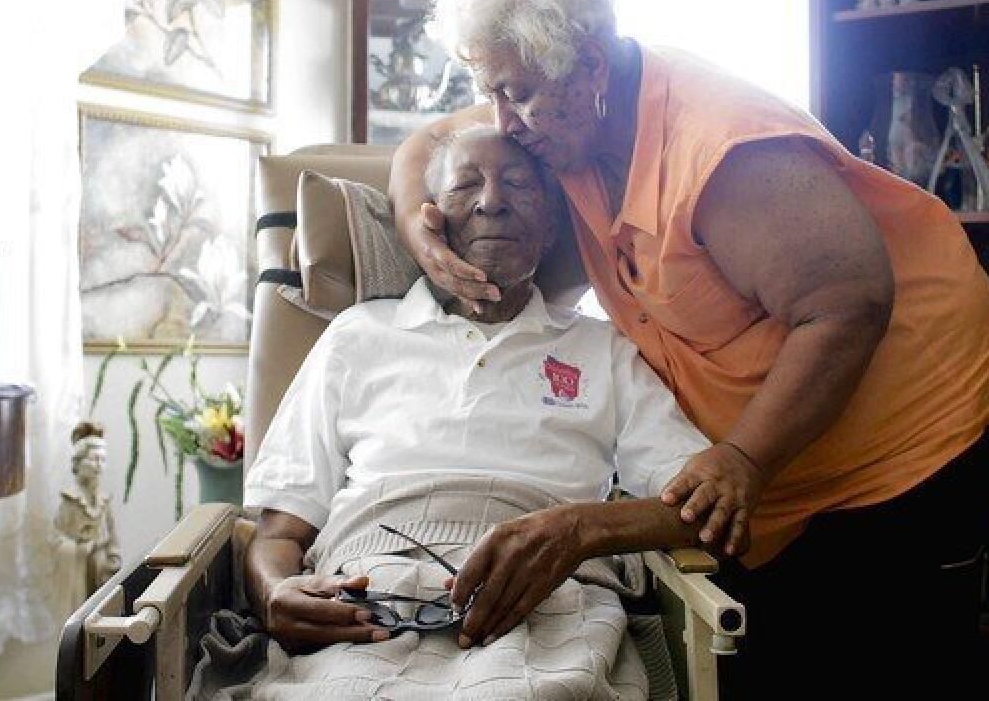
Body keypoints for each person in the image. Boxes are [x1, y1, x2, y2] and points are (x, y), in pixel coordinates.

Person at [388, 0, 989, 697]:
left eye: (513, 94)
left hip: (901, 436)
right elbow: (434, 143)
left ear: (589, 67)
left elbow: (847, 306)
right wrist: (414, 221)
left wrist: (744, 458)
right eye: (491, 91)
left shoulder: (719, 151)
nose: (502, 119)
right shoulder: (561, 117)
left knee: (888, 665)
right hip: (773, 473)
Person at [241, 126, 710, 699]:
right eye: (467, 184)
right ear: (431, 217)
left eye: (517, 183)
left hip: (550, 593)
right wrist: (272, 593)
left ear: (550, 227)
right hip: (368, 593)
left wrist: (578, 528)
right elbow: (278, 532)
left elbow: (699, 506)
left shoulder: (602, 348)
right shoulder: (357, 335)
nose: (492, 200)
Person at [53, 422, 121, 617]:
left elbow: (112, 534)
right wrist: (80, 548)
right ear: (78, 462)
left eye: (103, 459)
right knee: (81, 614)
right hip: (79, 573)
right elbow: (56, 540)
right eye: (94, 459)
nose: (99, 465)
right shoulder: (70, 501)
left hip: (102, 570)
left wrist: (113, 555)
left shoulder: (104, 500)